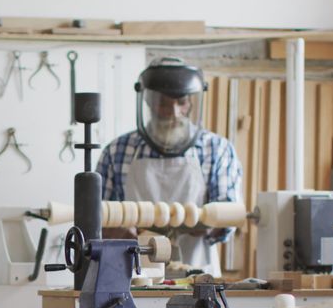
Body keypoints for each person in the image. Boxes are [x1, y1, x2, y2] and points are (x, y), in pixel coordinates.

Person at [96, 57, 243, 276]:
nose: (173, 112)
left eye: (181, 102)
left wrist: (198, 222)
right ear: (147, 101)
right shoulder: (118, 151)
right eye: (163, 103)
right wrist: (115, 228)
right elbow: (96, 218)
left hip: (196, 274)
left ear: (192, 103)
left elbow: (228, 219)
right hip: (131, 274)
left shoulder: (217, 149)